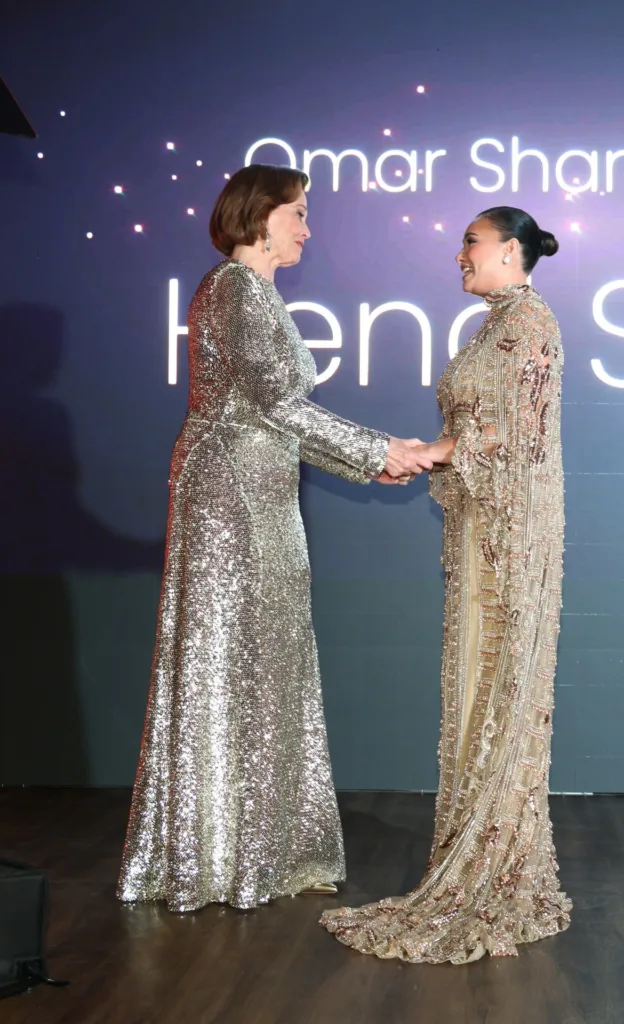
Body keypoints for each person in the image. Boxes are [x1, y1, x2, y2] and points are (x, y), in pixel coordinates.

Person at [117, 164, 432, 913]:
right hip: (231, 500)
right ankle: (222, 856)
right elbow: (276, 403)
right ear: (260, 216)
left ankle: (262, 848)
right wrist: (381, 450)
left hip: (260, 493)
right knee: (235, 662)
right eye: (299, 213)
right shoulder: (235, 289)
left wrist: (368, 462)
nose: (307, 229)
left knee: (265, 660)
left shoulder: (253, 294)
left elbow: (275, 412)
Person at [321, 207, 571, 963]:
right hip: (480, 528)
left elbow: (514, 437)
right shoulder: (495, 327)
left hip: (509, 535)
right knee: (475, 687)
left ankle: (495, 861)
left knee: (498, 686)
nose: (459, 253)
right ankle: (473, 844)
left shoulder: (530, 325)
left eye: (471, 241)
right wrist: (430, 454)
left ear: (511, 250)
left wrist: (431, 452)